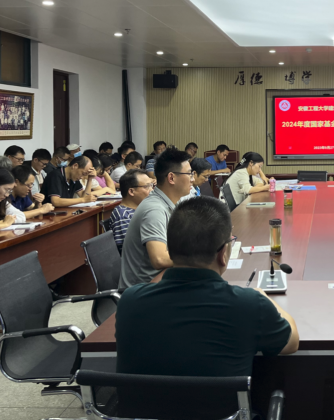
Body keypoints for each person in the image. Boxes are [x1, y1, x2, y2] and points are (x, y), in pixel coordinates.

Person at [116, 197, 299, 380]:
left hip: (142, 400)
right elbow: (291, 342)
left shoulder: (130, 301)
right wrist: (263, 297)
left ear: (170, 250)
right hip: (225, 401)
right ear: (223, 254)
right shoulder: (250, 304)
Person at [119, 149, 194, 289]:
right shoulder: (154, 209)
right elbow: (159, 259)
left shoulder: (169, 202)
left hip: (163, 280)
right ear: (171, 178)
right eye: (189, 174)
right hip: (143, 291)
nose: (193, 179)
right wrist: (202, 256)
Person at [108, 169, 153, 254]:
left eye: (151, 185)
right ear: (131, 191)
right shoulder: (122, 215)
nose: (151, 190)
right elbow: (130, 250)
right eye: (146, 186)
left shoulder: (141, 209)